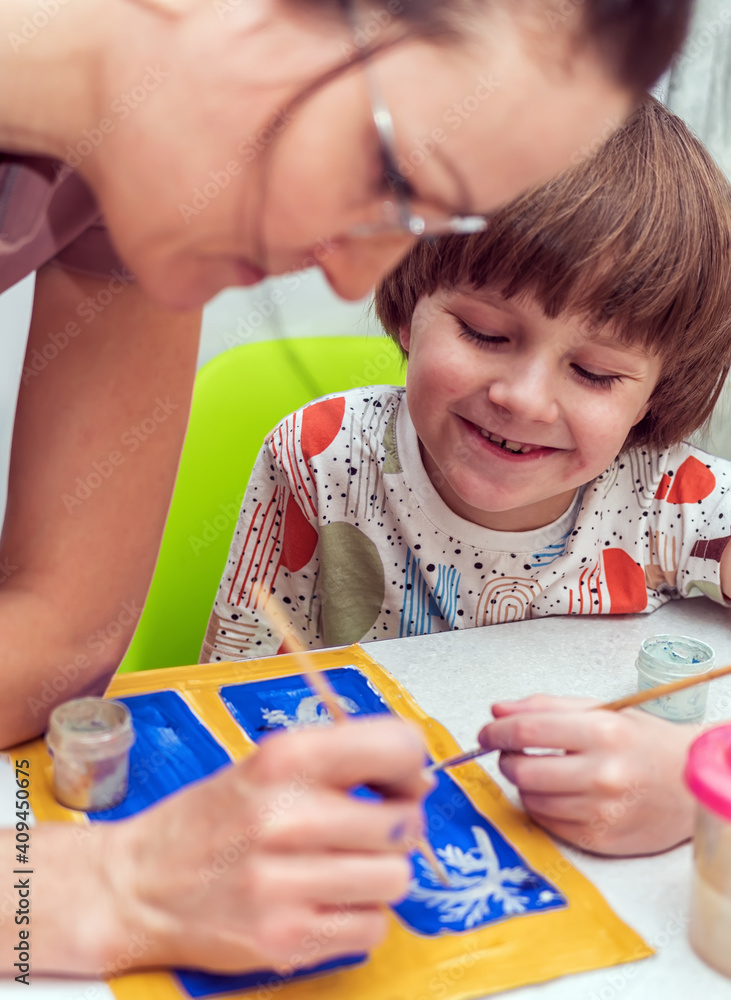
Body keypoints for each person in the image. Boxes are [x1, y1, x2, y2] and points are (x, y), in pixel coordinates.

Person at [0, 0, 693, 979]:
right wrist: (91, 886)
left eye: (424, 219)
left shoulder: (117, 188)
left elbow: (55, 631)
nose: (356, 278)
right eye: (392, 175)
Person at [203, 98, 731, 857]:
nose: (521, 397)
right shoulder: (319, 456)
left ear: (656, 393)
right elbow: (227, 689)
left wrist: (696, 780)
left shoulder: (670, 499)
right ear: (407, 302)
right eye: (484, 333)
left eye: (593, 371)